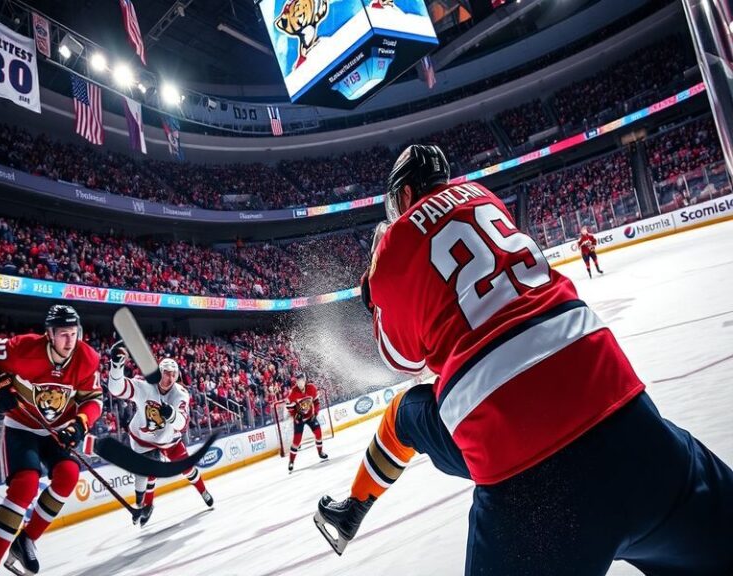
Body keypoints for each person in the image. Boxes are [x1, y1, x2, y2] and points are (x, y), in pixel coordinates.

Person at [314, 144, 733, 574]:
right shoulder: (484, 197)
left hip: (525, 476)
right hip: (628, 420)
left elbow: (401, 358)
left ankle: (351, 511)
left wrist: (374, 293)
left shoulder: (395, 240)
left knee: (404, 414)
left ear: (402, 198)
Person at [0, 305, 102, 576]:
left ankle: (26, 540)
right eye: (63, 334)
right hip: (21, 425)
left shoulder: (88, 358)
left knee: (67, 476)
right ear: (49, 334)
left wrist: (80, 424)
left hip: (58, 430)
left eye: (74, 333)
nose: (70, 341)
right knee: (25, 485)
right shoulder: (22, 348)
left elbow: (93, 400)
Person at [106, 341, 213, 527]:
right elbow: (116, 389)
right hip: (141, 438)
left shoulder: (180, 394)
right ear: (159, 372)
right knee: (149, 470)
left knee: (187, 468)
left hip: (169, 440)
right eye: (166, 373)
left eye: (173, 374)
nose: (169, 378)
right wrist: (116, 366)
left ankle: (203, 491)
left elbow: (183, 425)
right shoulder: (144, 385)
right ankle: (147, 505)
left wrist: (171, 414)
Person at [286, 372, 327, 473]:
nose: (299, 383)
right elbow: (289, 407)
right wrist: (295, 415)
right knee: (296, 441)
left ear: (304, 381)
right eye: (297, 381)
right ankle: (291, 461)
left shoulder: (311, 388)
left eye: (300, 381)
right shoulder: (293, 392)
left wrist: (315, 413)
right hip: (299, 419)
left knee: (318, 433)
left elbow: (316, 402)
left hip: (310, 416)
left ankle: (320, 452)